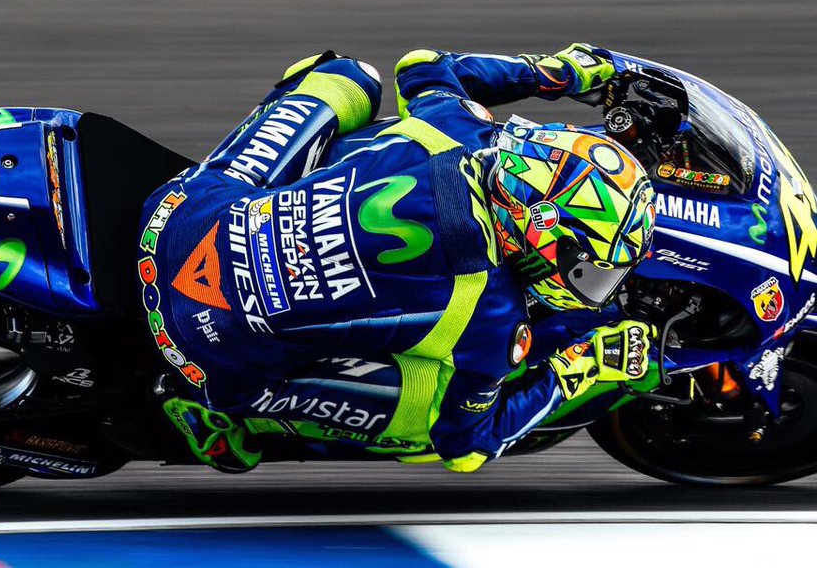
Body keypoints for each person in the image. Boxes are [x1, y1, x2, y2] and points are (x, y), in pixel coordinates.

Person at [136, 45, 658, 473]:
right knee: (424, 417)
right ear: (532, 235)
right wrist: (581, 368)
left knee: (346, 76)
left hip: (176, 216)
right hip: (201, 350)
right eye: (589, 271)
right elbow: (467, 446)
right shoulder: (491, 317)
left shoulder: (455, 127)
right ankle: (229, 419)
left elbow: (423, 65)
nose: (595, 284)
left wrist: (552, 75)